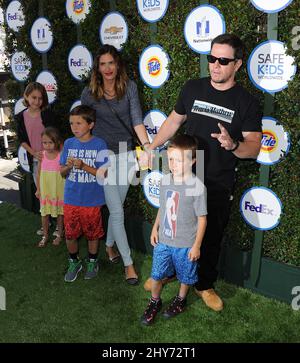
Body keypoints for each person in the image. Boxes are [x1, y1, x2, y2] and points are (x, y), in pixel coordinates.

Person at [141, 34, 262, 311]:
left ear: (238, 64)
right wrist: (153, 146)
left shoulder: (247, 102)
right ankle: (169, 273)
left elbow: (254, 148)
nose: (215, 65)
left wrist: (233, 144)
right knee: (173, 229)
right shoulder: (192, 88)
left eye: (223, 60)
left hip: (217, 183)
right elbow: (174, 121)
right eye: (211, 58)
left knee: (210, 237)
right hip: (183, 180)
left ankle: (203, 285)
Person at [81, 44, 150, 285]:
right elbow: (84, 126)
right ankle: (129, 264)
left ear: (117, 64)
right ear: (97, 68)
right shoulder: (89, 93)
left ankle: (109, 246)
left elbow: (137, 120)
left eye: (111, 63)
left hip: (128, 154)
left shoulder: (129, 87)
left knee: (116, 206)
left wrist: (147, 147)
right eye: (103, 64)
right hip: (104, 157)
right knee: (118, 211)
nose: (108, 68)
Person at [141, 135, 207, 325]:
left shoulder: (197, 187)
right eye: (170, 159)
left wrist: (197, 246)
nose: (173, 164)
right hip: (164, 241)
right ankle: (155, 301)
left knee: (185, 276)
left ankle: (180, 300)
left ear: (193, 161)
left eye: (179, 160)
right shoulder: (165, 181)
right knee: (156, 274)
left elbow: (202, 219)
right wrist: (155, 228)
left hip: (186, 245)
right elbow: (162, 207)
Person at [60, 105, 108, 282]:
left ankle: (92, 261)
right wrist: (69, 166)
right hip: (71, 198)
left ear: (91, 124)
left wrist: (84, 166)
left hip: (91, 200)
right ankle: (74, 261)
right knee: (70, 234)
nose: (74, 127)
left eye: (79, 123)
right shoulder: (68, 143)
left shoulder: (99, 144)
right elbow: (62, 173)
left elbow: (104, 174)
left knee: (92, 234)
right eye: (72, 123)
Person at [15, 82, 59, 236]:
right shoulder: (20, 117)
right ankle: (46, 224)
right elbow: (22, 139)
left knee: (55, 191)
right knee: (41, 193)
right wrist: (33, 152)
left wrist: (51, 153)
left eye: (40, 98)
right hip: (35, 160)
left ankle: (60, 225)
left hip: (52, 159)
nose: (37, 101)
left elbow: (55, 136)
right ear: (26, 96)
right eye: (34, 97)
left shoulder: (47, 114)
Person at [35, 127, 65, 247]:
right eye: (44, 143)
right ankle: (45, 235)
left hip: (58, 190)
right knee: (44, 214)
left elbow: (64, 173)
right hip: (46, 190)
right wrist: (38, 189)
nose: (47, 145)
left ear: (57, 142)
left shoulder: (61, 155)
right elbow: (38, 173)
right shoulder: (41, 155)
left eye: (50, 142)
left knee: (59, 214)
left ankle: (59, 235)